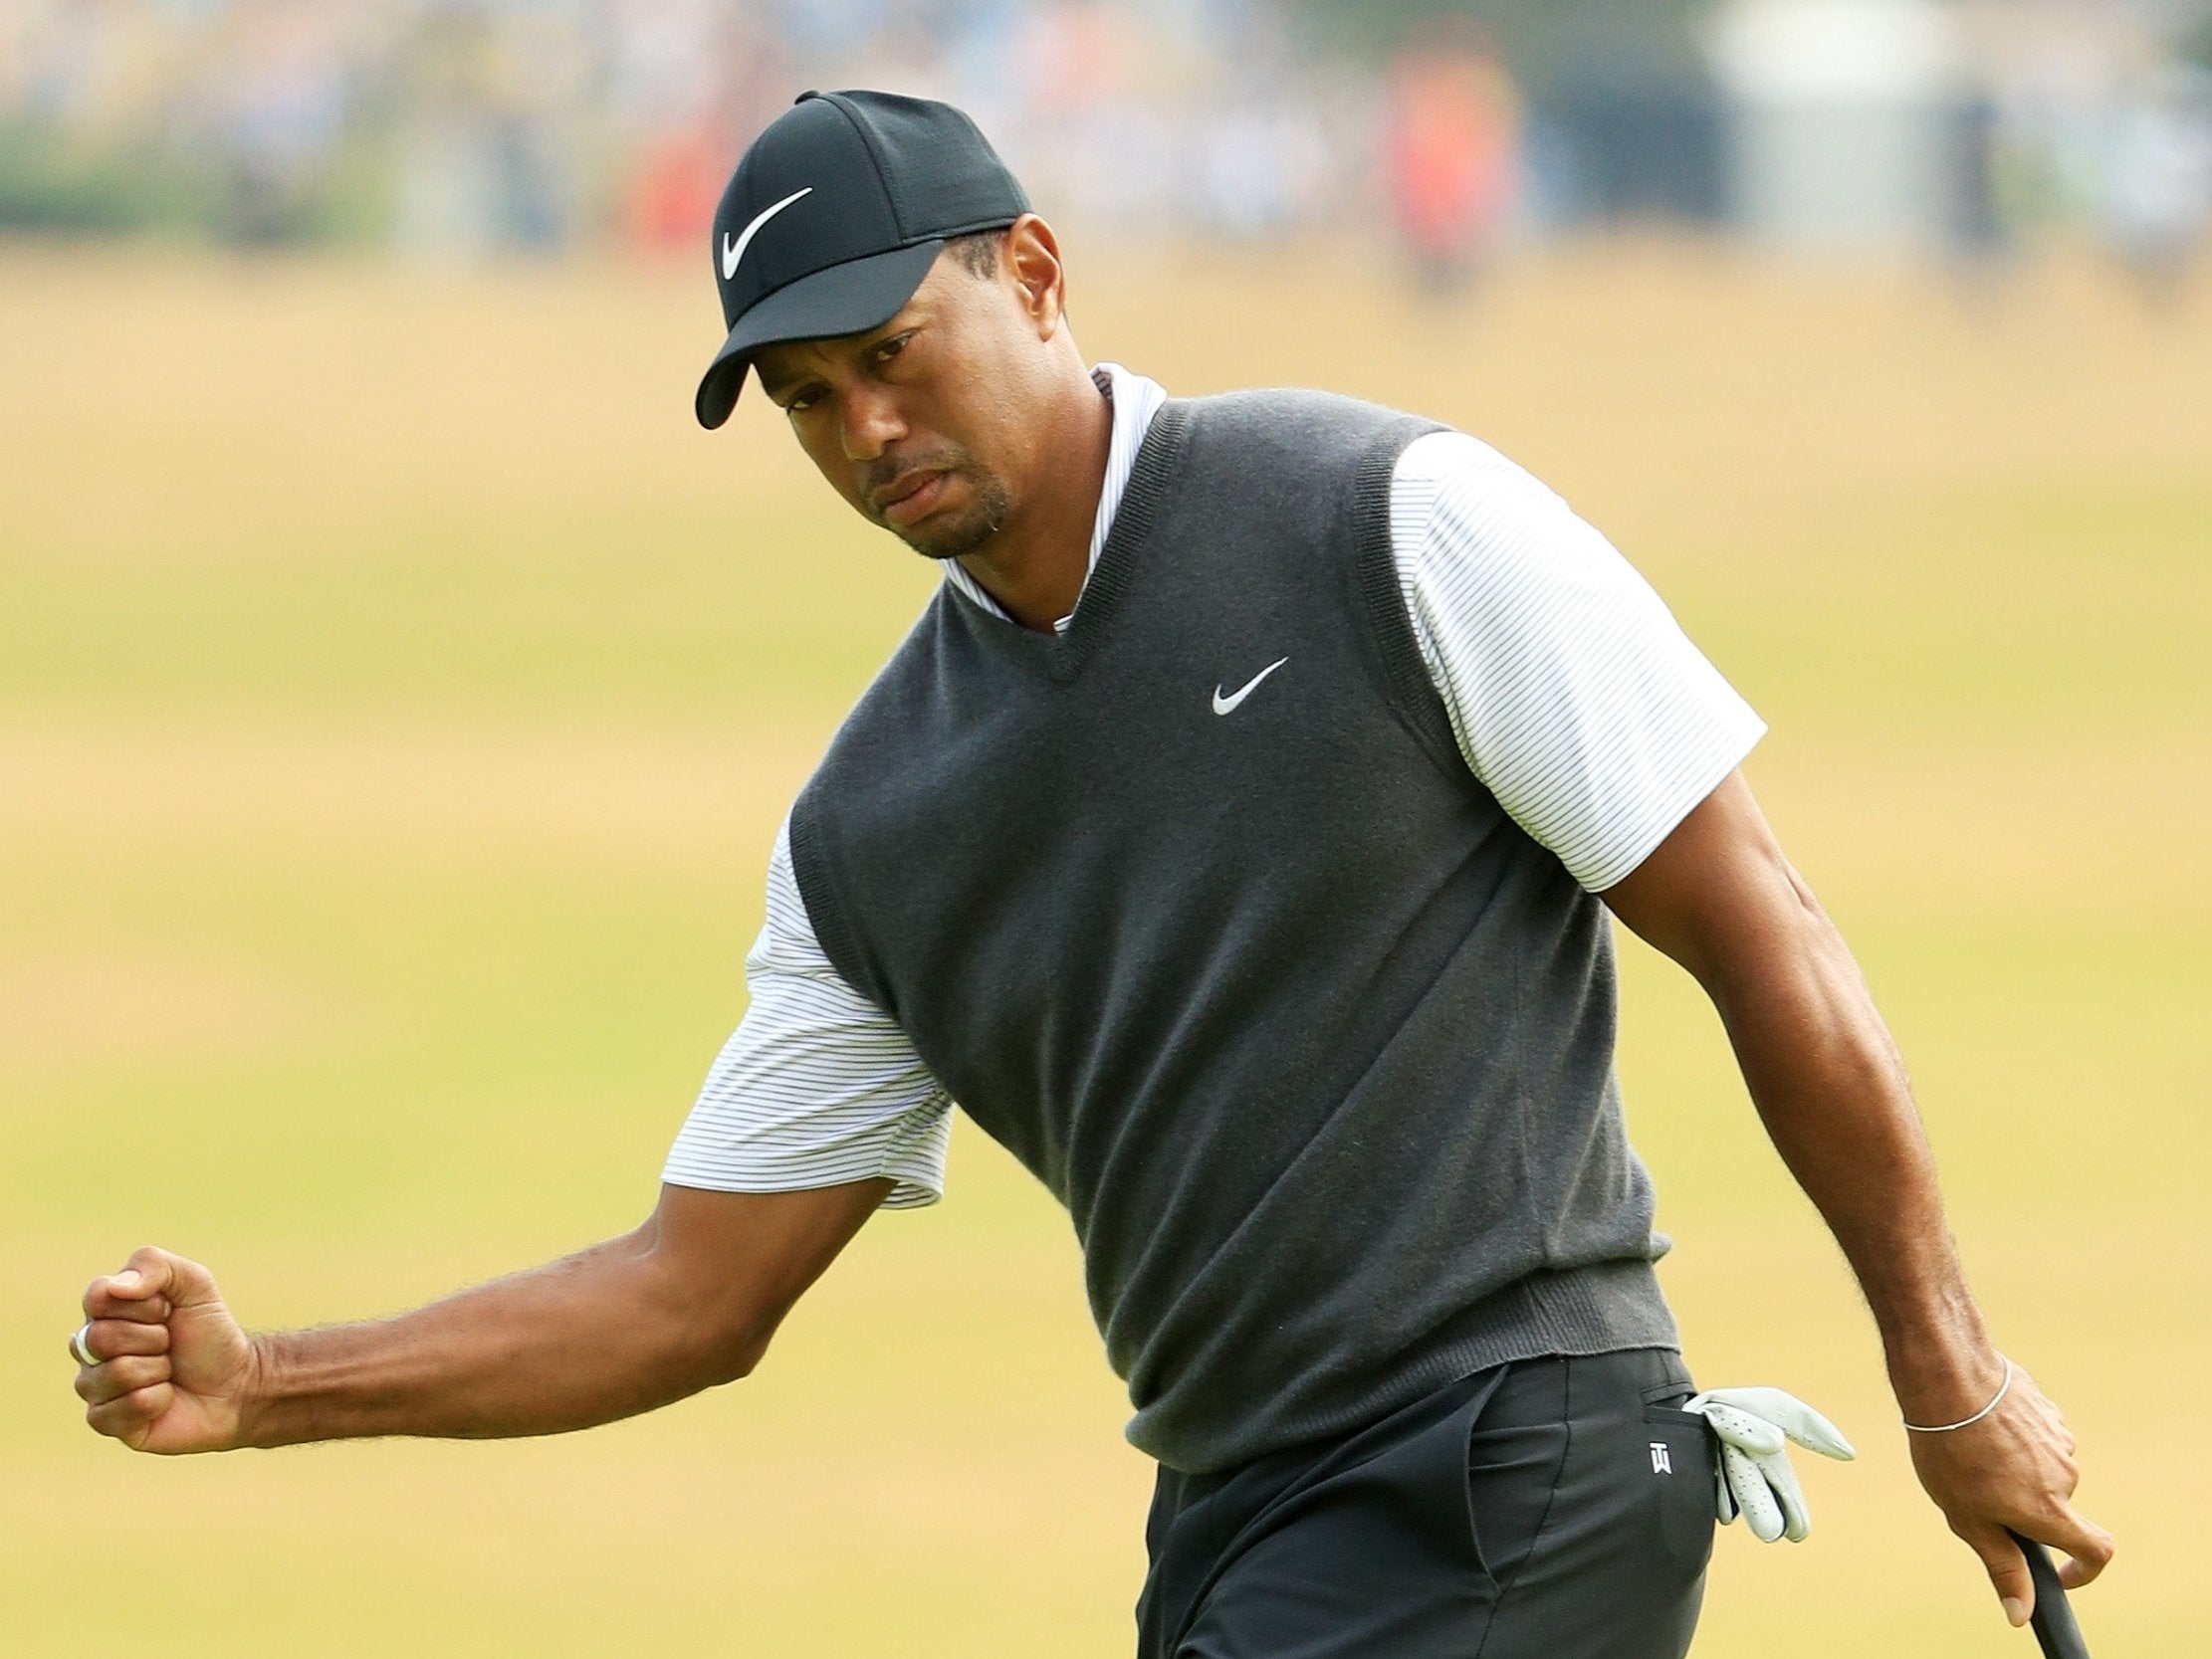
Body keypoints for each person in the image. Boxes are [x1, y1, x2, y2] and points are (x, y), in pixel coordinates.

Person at [71, 89, 2109, 1657]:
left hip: (1516, 1465)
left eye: (892, 350)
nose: (865, 429)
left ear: (1034, 275)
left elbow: (1756, 926)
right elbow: (692, 1294)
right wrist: (274, 1393)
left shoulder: (1383, 521)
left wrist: (1946, 1380)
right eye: (804, 401)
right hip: (1241, 1522)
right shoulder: (878, 822)